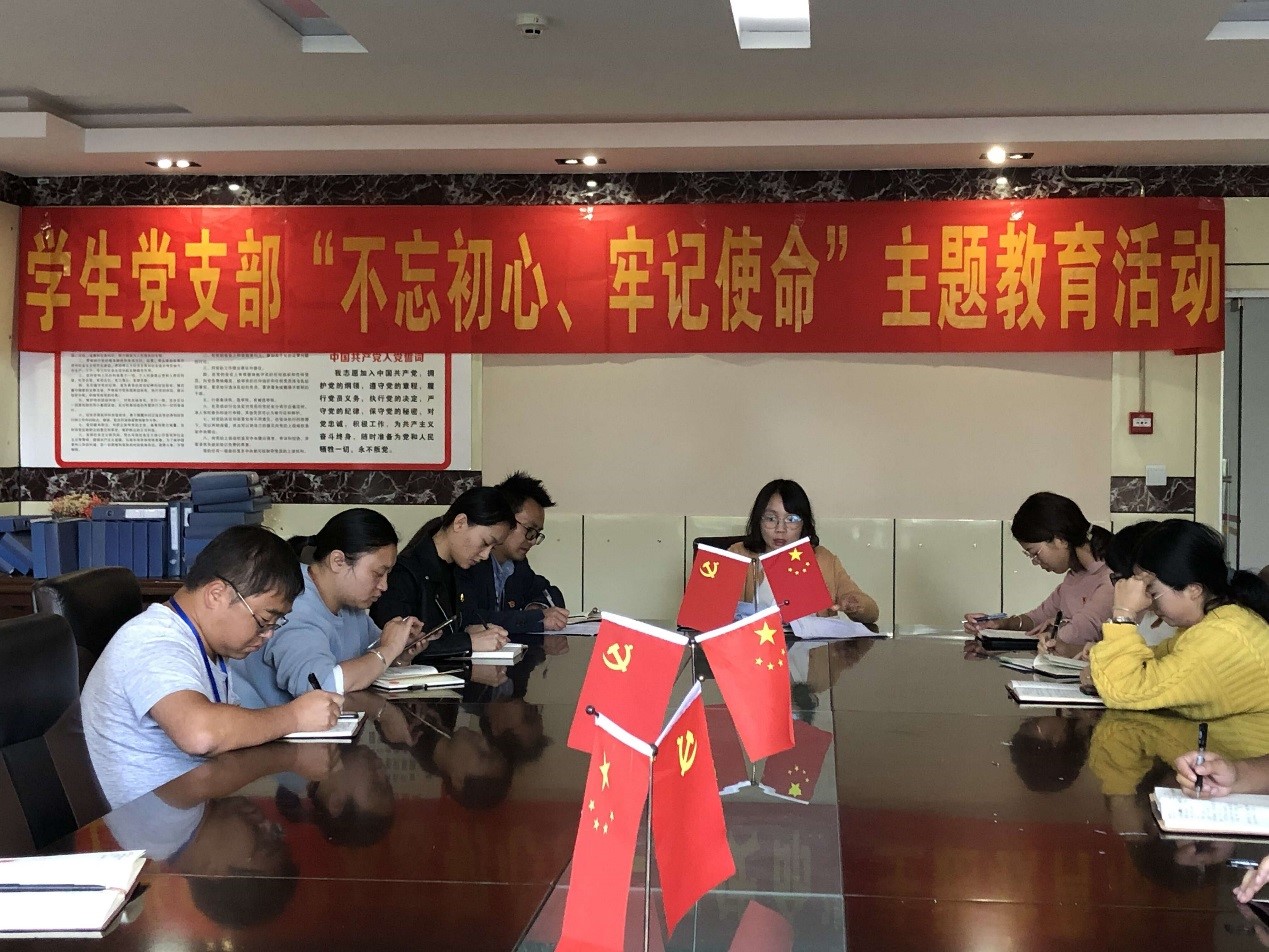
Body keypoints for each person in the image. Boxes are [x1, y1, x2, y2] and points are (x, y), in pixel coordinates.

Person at [81, 525, 344, 809]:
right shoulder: (152, 640)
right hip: (154, 827)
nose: (268, 634)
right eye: (264, 620)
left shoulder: (207, 646)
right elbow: (200, 734)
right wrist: (295, 717)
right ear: (216, 594)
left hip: (192, 808)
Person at [230, 508, 425, 706]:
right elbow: (319, 685)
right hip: (262, 722)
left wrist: (399, 651)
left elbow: (370, 662)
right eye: (377, 574)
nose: (384, 586)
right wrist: (389, 649)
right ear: (338, 561)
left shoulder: (350, 606)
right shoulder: (294, 602)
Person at [1087, 520, 1269, 718]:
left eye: (1152, 591)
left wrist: (1123, 613)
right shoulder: (1216, 623)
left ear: (1193, 589)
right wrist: (1100, 661)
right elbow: (1155, 660)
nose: (1148, 603)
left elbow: (1125, 691)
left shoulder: (1222, 637)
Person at [964, 492, 1114, 658]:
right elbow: (1038, 618)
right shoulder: (1074, 576)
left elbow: (1084, 629)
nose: (1035, 562)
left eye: (1035, 553)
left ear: (1060, 540)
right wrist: (1000, 624)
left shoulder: (1112, 576)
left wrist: (1056, 630)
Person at [372, 486, 516, 656]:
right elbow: (394, 648)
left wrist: (469, 630)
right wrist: (467, 641)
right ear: (460, 523)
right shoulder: (403, 574)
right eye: (485, 543)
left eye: (492, 548)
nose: (485, 555)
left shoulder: (462, 570)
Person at [729, 478, 879, 625]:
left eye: (791, 519)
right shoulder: (739, 554)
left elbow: (872, 613)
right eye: (771, 518)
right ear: (758, 520)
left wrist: (856, 604)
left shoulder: (823, 558)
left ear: (804, 523)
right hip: (759, 641)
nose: (780, 529)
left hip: (812, 641)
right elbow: (719, 610)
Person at [455, 471, 567, 634]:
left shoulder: (516, 565)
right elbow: (470, 618)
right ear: (504, 519)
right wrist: (534, 618)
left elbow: (548, 592)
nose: (532, 540)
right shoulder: (470, 559)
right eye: (530, 530)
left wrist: (536, 606)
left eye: (537, 533)